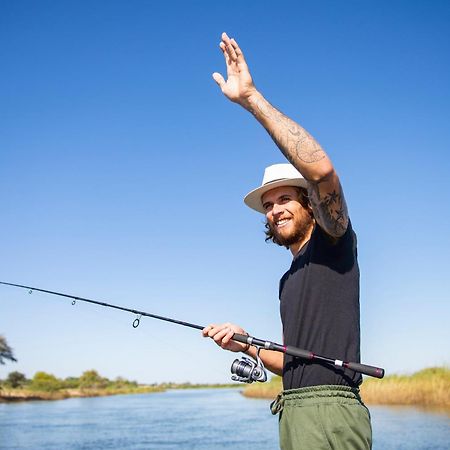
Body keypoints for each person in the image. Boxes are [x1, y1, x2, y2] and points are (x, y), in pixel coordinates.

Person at [202, 33, 372, 450]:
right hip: (293, 409)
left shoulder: (334, 242)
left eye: (285, 199)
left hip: (332, 414)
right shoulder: (288, 279)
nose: (275, 209)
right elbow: (294, 364)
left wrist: (251, 99)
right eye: (269, 204)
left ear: (311, 204)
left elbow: (323, 174)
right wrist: (248, 344)